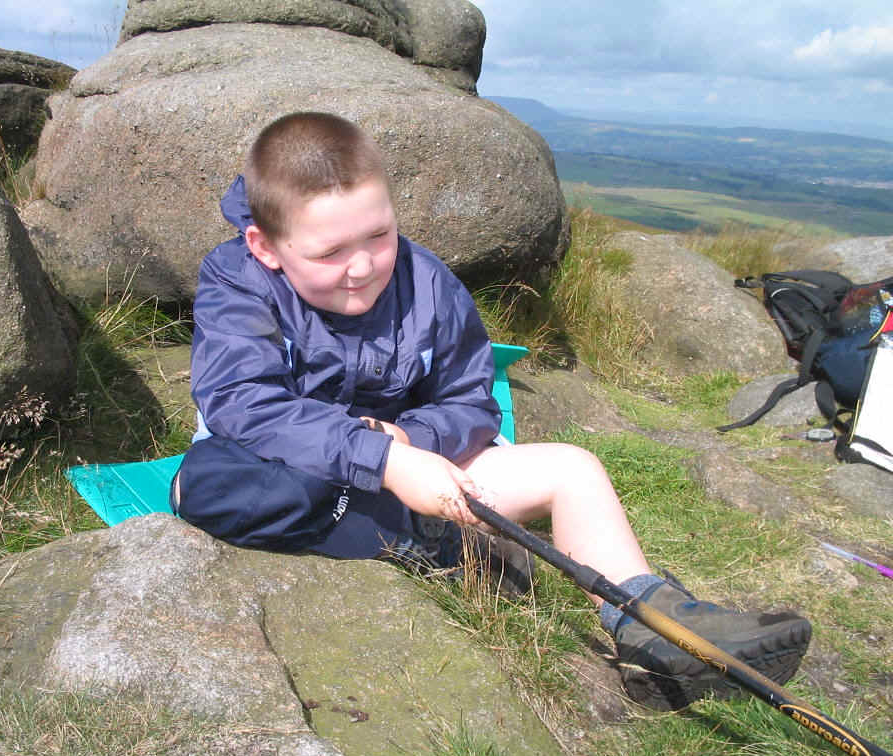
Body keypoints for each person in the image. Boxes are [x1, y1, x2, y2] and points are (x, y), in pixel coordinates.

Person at [172, 111, 811, 710]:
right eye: (329, 252)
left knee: (573, 469)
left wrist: (411, 436)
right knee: (225, 486)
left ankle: (652, 627)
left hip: (416, 470)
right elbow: (240, 402)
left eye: (379, 235)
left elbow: (472, 403)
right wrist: (381, 457)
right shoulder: (237, 279)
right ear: (265, 245)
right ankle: (439, 542)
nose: (362, 267)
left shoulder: (428, 282)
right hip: (297, 468)